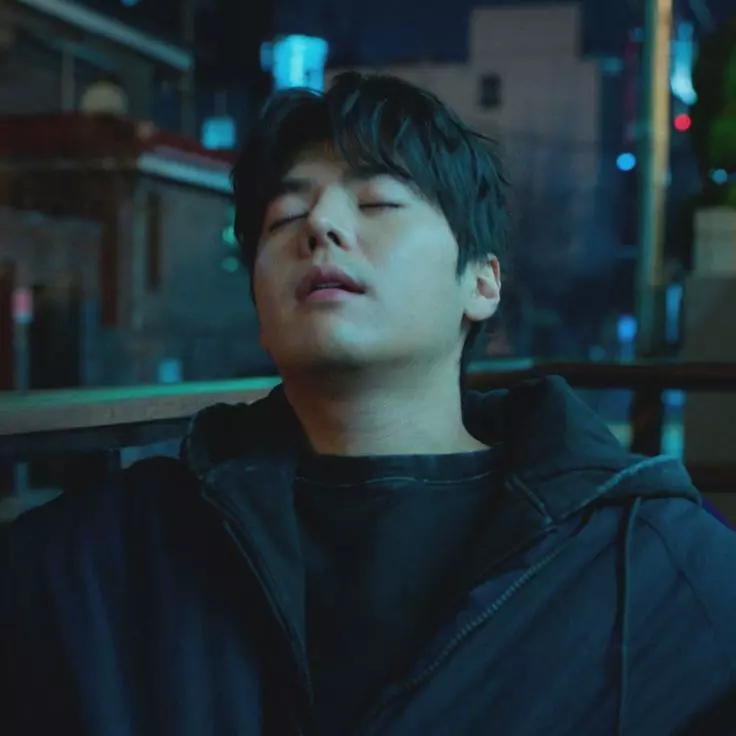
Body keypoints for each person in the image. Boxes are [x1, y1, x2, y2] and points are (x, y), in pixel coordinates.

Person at [1, 72, 735, 736]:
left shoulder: (646, 560)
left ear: (482, 283)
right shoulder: (116, 553)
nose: (320, 225)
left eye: (378, 202)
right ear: (259, 304)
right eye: (284, 218)